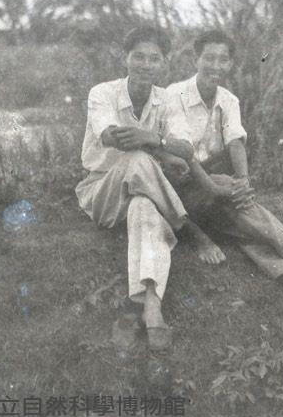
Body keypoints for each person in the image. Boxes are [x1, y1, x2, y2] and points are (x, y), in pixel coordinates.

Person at [165, 30, 283, 298]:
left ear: (230, 64)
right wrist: (220, 188)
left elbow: (236, 142)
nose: (215, 66)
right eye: (209, 58)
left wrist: (243, 182)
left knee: (240, 224)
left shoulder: (228, 99)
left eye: (223, 60)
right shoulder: (174, 95)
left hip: (211, 191)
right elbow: (186, 155)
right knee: (233, 199)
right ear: (195, 60)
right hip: (180, 188)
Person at [75, 26, 194, 350]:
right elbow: (110, 135)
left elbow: (186, 149)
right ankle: (187, 225)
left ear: (164, 63)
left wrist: (154, 139)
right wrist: (156, 148)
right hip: (103, 191)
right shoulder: (103, 93)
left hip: (145, 190)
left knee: (144, 208)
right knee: (139, 158)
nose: (145, 64)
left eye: (154, 58)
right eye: (138, 57)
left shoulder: (168, 99)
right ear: (125, 59)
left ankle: (151, 305)